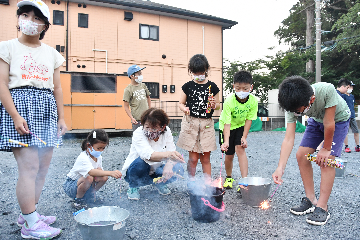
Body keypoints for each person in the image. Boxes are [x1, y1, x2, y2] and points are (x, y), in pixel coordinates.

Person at [0, 1, 67, 239]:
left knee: (42, 168)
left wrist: (61, 117)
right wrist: (15, 116)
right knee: (29, 167)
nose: (29, 20)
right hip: (21, 107)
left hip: (46, 107)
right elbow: (1, 84)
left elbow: (57, 88)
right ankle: (30, 225)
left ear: (45, 25)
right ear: (18, 19)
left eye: (36, 17)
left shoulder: (52, 54)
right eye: (25, 15)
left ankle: (29, 214)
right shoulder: (6, 47)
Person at [272, 76, 350, 226]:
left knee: (327, 161)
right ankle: (311, 199)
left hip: (338, 120)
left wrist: (326, 149)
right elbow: (289, 138)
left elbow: (329, 123)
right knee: (301, 155)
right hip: (317, 121)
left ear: (311, 100)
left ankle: (322, 206)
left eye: (298, 111)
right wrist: (280, 167)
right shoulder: (292, 105)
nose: (296, 113)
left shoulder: (326, 90)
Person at [122, 108, 185, 200]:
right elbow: (148, 155)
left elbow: (172, 151)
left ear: (163, 127)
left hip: (155, 169)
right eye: (147, 127)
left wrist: (169, 165)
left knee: (178, 168)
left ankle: (160, 183)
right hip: (137, 171)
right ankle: (133, 186)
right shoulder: (138, 133)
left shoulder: (166, 132)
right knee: (141, 162)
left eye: (154, 128)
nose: (150, 131)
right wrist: (169, 155)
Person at [177, 54, 220, 183]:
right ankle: (191, 183)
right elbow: (181, 103)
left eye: (201, 72)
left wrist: (214, 105)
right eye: (195, 72)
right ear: (191, 71)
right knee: (193, 158)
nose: (198, 74)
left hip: (206, 123)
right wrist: (184, 109)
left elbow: (217, 105)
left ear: (206, 69)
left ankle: (207, 184)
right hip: (191, 123)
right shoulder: (187, 86)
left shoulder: (213, 86)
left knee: (205, 159)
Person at [63, 129, 122, 209]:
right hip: (71, 185)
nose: (101, 151)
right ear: (89, 146)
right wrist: (111, 172)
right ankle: (78, 200)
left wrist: (107, 174)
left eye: (103, 148)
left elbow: (99, 171)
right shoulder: (83, 157)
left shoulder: (98, 157)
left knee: (104, 177)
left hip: (85, 184)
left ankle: (90, 196)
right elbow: (91, 172)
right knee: (89, 178)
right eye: (98, 148)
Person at [219, 71, 258, 191]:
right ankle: (229, 177)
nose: (241, 91)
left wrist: (244, 137)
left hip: (241, 126)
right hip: (227, 127)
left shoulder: (253, 101)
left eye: (245, 88)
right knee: (229, 154)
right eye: (238, 88)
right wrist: (226, 141)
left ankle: (244, 181)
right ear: (233, 87)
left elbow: (249, 119)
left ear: (251, 87)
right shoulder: (229, 101)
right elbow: (227, 122)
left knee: (241, 149)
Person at [123, 65, 151, 131]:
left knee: (149, 138)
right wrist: (132, 118)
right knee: (138, 139)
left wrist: (150, 110)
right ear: (132, 76)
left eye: (141, 73)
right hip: (137, 120)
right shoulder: (128, 89)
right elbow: (126, 106)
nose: (141, 75)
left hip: (147, 118)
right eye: (139, 74)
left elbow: (148, 98)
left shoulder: (143, 85)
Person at [339, 80, 359, 153]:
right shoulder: (343, 95)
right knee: (345, 132)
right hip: (345, 116)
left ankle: (357, 146)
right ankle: (346, 146)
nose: (351, 88)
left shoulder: (352, 96)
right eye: (350, 86)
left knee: (356, 131)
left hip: (352, 115)